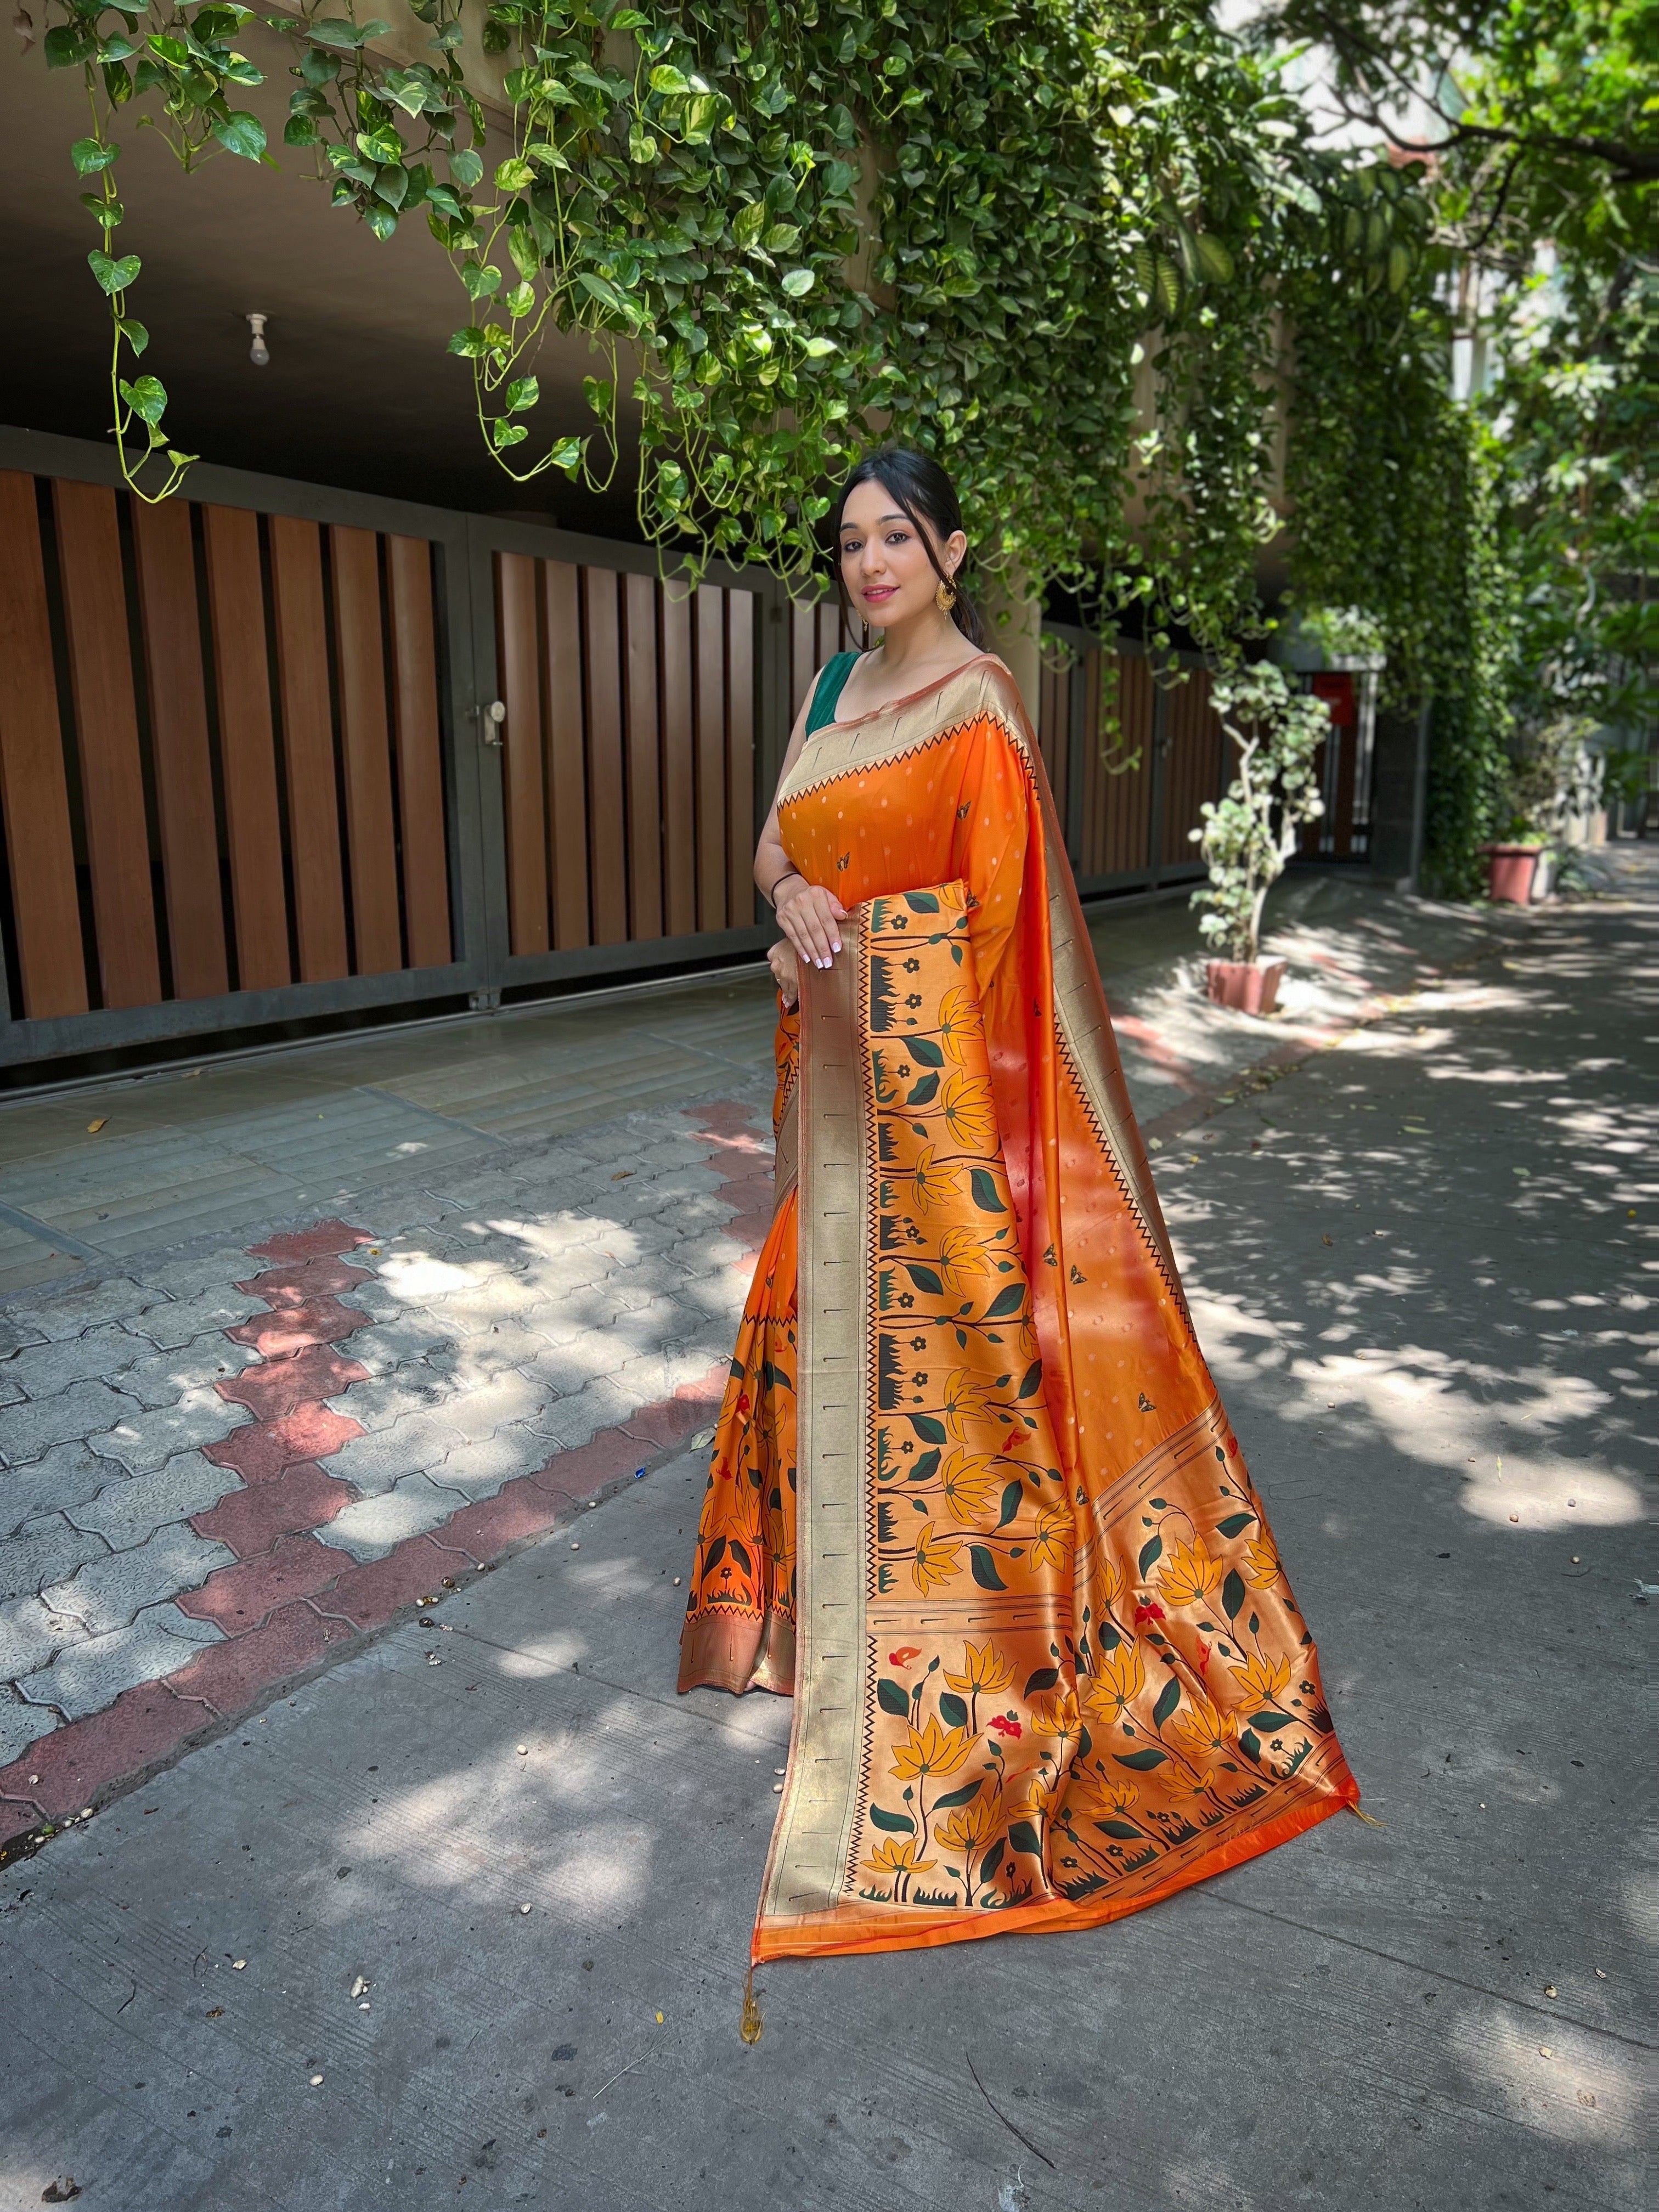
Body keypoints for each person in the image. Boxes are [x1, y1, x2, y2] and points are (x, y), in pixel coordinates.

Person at [678, 445, 1359, 1962]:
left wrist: (885, 1000)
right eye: (848, 540)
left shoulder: (980, 705)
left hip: (929, 1112)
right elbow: (775, 844)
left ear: (951, 549)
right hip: (828, 1095)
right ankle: (798, 1625)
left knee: (958, 1378)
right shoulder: (821, 696)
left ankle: (991, 1657)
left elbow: (996, 942)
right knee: (804, 1320)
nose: (869, 563)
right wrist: (785, 906)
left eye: (895, 537)